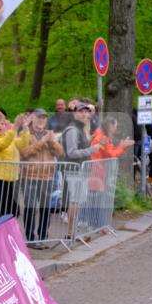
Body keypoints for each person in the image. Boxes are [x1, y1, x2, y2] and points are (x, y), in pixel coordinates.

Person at [18, 108, 64, 245]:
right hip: (30, 176)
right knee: (30, 207)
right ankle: (31, 238)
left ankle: (43, 236)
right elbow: (25, 153)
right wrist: (41, 142)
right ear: (32, 119)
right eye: (38, 117)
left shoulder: (49, 134)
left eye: (43, 118)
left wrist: (52, 142)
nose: (41, 120)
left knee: (46, 208)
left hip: (47, 177)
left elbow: (61, 153)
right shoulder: (24, 133)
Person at [61, 102, 105, 238]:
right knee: (75, 201)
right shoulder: (72, 129)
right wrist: (93, 149)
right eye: (81, 111)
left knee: (78, 202)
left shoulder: (80, 128)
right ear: (75, 114)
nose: (84, 114)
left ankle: (74, 232)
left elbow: (81, 144)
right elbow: (72, 152)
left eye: (86, 112)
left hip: (81, 170)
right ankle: (71, 233)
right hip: (74, 170)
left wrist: (93, 142)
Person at [0, 112, 30, 225]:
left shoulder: (9, 137)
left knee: (7, 209)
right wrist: (15, 127)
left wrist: (25, 127)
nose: (0, 126)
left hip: (9, 178)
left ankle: (1, 230)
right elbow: (2, 144)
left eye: (2, 124)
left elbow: (23, 144)